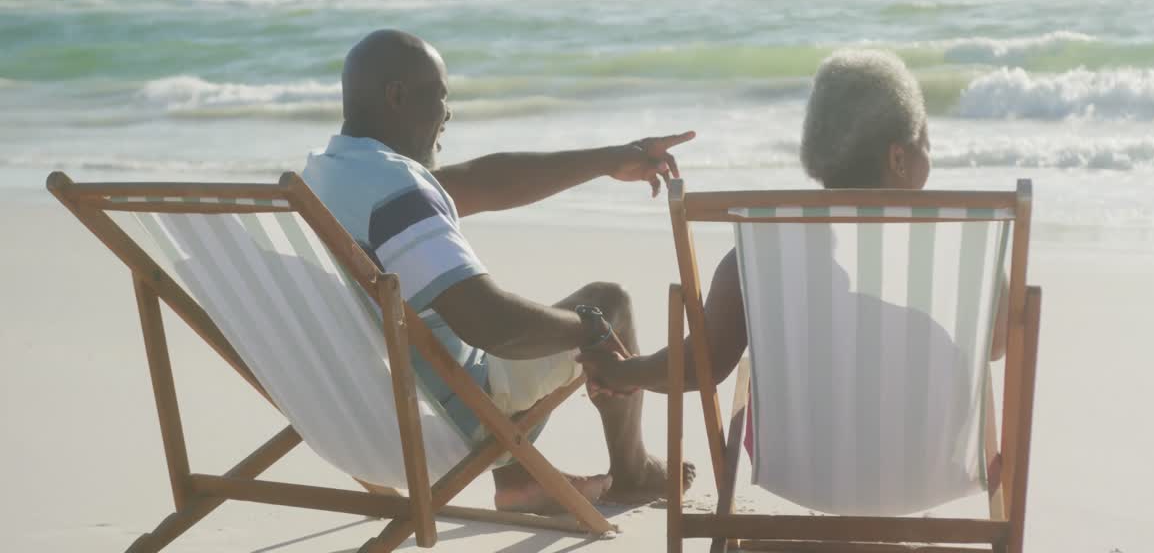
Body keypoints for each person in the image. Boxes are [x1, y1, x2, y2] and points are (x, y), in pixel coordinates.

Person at [302, 29, 695, 513]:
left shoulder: (326, 174)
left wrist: (613, 158)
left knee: (459, 309)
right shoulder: (395, 191)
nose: (448, 114)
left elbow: (479, 182)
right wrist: (591, 328)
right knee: (608, 302)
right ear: (397, 96)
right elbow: (493, 328)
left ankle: (520, 479)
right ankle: (634, 473)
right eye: (439, 97)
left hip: (353, 409)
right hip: (448, 413)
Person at [582, 49, 1007, 434]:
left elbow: (699, 368)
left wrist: (622, 373)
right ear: (897, 157)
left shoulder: (763, 250)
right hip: (930, 464)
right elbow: (999, 343)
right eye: (925, 145)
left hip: (799, 466)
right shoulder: (951, 248)